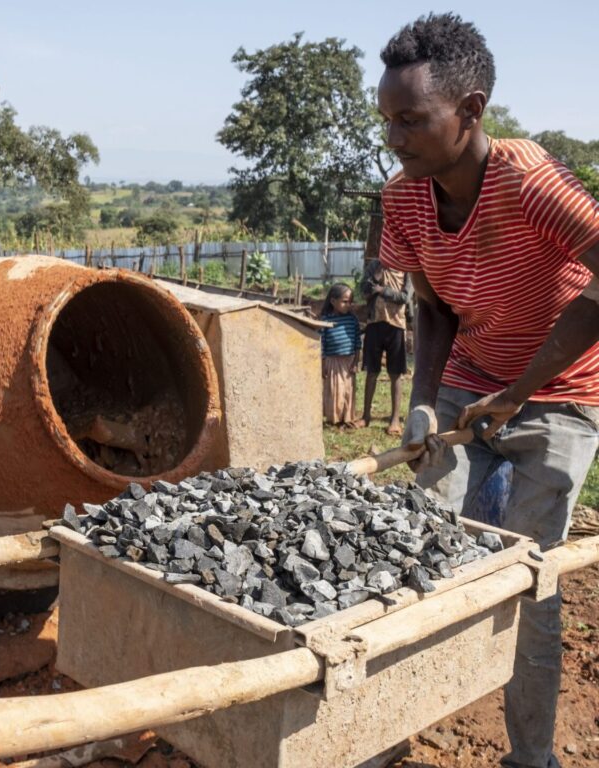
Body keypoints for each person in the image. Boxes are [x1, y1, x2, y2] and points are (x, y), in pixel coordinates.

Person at [377, 12, 599, 768]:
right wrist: (423, 397)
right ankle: (378, 738)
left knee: (528, 582)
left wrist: (520, 392)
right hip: (466, 381)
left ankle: (531, 760)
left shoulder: (532, 181)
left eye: (411, 119)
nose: (394, 137)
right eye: (388, 120)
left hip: (562, 393)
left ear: (470, 111)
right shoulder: (404, 197)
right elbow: (433, 306)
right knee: (411, 551)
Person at [360, 258, 409, 435]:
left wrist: (382, 290)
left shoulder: (406, 267)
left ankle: (395, 419)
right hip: (374, 322)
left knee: (395, 373)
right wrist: (375, 277)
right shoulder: (374, 265)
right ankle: (366, 416)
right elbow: (364, 291)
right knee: (372, 371)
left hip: (396, 324)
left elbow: (405, 297)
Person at [319, 284, 361, 429]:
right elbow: (322, 344)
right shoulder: (325, 321)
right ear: (333, 301)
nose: (348, 305)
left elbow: (357, 343)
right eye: (344, 301)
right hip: (333, 361)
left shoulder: (352, 320)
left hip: (348, 362)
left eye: (350, 302)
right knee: (335, 391)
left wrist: (356, 362)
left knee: (347, 391)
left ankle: (347, 418)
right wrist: (323, 364)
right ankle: (334, 419)